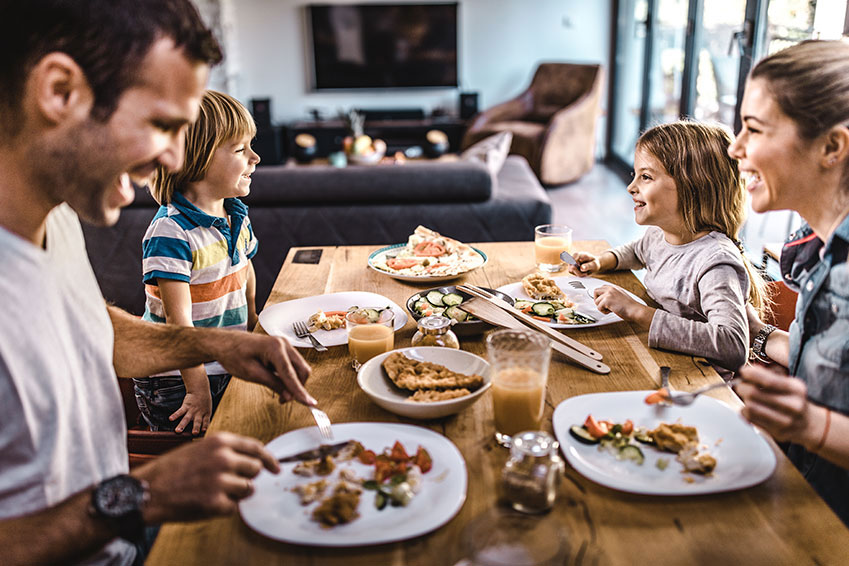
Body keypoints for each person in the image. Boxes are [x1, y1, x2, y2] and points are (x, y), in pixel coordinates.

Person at [0, 1, 316, 565]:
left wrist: (217, 342)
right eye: (162, 124)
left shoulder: (59, 218)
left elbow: (91, 332)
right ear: (60, 92)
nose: (175, 156)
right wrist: (147, 493)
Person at [726, 40, 849, 524]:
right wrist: (754, 333)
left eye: (753, 129)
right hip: (797, 497)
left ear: (832, 147)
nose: (735, 147)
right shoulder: (814, 245)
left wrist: (809, 425)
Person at [568, 121, 769, 373]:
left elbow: (732, 346)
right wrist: (602, 261)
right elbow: (636, 251)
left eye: (646, 177)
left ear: (693, 186)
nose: (631, 188)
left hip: (697, 380)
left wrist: (638, 312)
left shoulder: (715, 262)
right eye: (635, 175)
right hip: (660, 360)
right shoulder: (659, 235)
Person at [136, 90, 261, 435]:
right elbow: (180, 323)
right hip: (178, 380)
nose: (255, 157)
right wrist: (197, 388)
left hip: (222, 362)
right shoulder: (171, 231)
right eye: (240, 150)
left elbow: (243, 268)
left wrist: (252, 322)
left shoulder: (234, 213)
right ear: (197, 159)